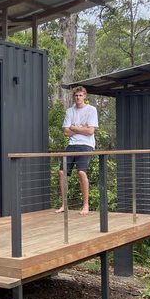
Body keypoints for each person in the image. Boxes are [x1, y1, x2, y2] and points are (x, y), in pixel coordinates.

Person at [56, 86, 98, 215]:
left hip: (86, 145)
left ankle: (85, 205)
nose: (78, 98)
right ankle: (64, 204)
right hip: (72, 145)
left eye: (80, 95)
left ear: (84, 96)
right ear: (73, 97)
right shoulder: (70, 111)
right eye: (76, 95)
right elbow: (66, 132)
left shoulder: (91, 110)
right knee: (62, 172)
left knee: (81, 172)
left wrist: (74, 128)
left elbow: (90, 131)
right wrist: (82, 128)